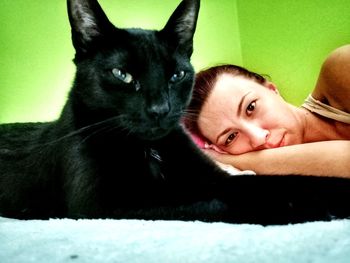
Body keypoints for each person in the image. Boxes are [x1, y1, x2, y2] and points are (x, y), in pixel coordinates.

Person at [184, 45, 350, 177]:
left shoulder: (339, 68)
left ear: (272, 89)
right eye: (231, 137)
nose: (258, 138)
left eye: (251, 107)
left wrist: (228, 159)